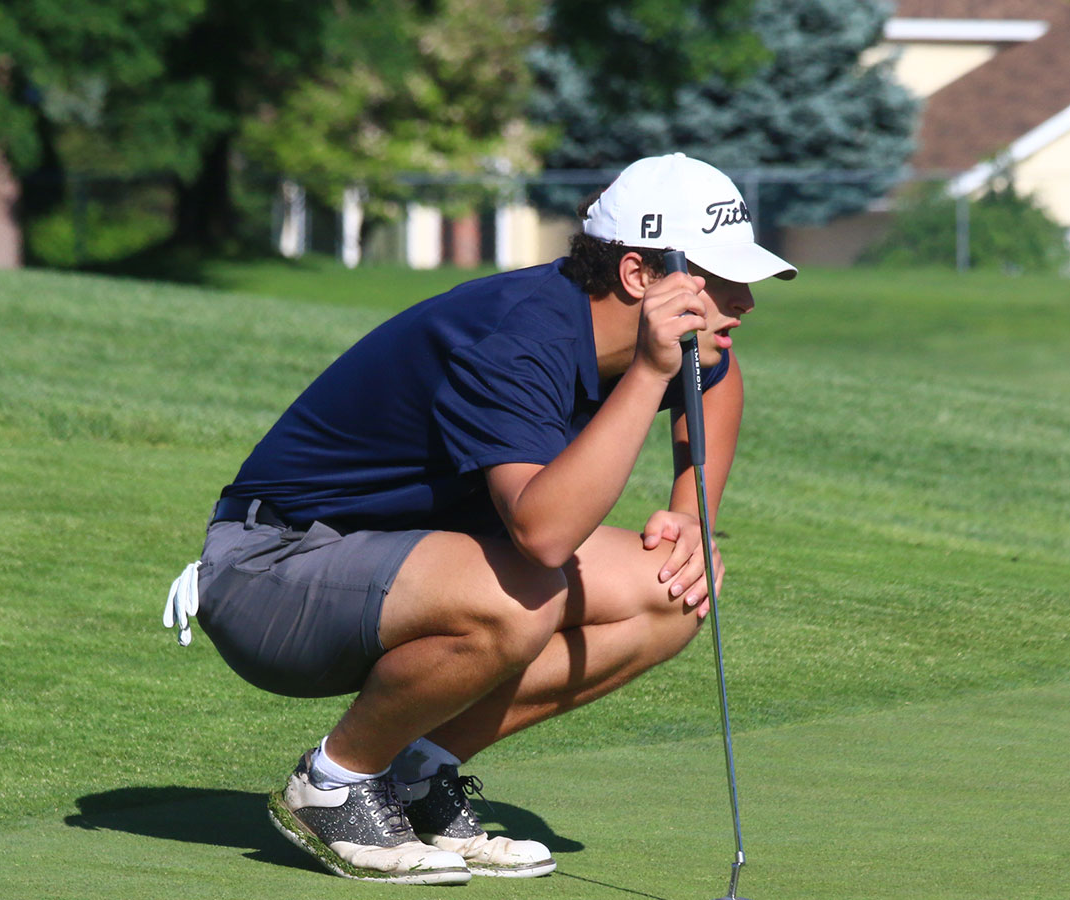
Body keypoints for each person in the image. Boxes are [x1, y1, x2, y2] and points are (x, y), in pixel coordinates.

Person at [163, 153, 796, 885]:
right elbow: (543, 534)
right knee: (526, 591)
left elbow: (715, 379)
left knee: (676, 588)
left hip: (393, 567)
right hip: (272, 570)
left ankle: (414, 773)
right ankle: (333, 785)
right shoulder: (519, 338)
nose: (743, 303)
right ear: (638, 277)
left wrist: (692, 516)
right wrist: (654, 372)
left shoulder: (667, 340)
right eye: (718, 282)